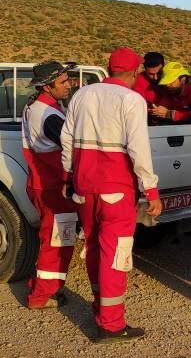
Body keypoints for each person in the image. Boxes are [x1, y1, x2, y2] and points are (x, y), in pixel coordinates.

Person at [61, 47, 162, 343]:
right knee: (115, 253)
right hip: (116, 189)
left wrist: (68, 175)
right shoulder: (132, 100)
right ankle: (111, 323)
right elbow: (138, 150)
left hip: (84, 186)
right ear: (132, 73)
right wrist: (151, 190)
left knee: (92, 246)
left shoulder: (82, 95)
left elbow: (67, 138)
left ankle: (99, 306)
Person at [21, 60, 79, 310]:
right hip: (53, 186)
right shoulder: (49, 115)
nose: (69, 85)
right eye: (63, 82)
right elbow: (72, 146)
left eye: (68, 79)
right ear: (47, 86)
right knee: (57, 241)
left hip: (43, 183)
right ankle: (41, 295)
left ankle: (48, 289)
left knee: (56, 238)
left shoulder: (36, 106)